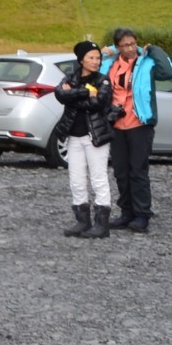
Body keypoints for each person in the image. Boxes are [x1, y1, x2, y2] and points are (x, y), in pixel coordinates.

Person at [104, 28, 172, 233]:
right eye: (125, 45)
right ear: (118, 47)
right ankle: (126, 213)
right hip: (117, 125)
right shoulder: (110, 64)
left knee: (138, 171)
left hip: (139, 124)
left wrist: (153, 49)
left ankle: (142, 214)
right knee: (121, 172)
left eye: (133, 44)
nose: (130, 48)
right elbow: (91, 68)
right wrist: (108, 51)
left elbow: (168, 73)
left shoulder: (147, 63)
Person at [53, 41, 114, 239]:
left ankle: (102, 224)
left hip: (94, 136)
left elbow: (99, 103)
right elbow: (60, 94)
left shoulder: (103, 80)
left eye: (98, 58)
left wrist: (74, 94)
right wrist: (86, 92)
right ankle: (82, 220)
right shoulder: (70, 77)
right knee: (76, 180)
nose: (96, 61)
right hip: (73, 135)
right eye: (91, 58)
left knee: (99, 178)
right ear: (81, 60)